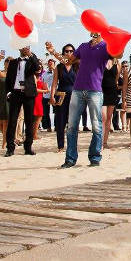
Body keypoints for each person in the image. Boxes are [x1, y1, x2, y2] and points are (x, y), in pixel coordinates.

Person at [47, 31, 115, 169]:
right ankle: (70, 159)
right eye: (93, 30)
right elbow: (68, 61)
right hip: (77, 90)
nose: (95, 33)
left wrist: (119, 43)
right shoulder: (83, 46)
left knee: (96, 126)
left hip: (95, 91)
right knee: (71, 126)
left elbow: (117, 55)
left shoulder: (105, 47)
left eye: (98, 30)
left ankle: (95, 157)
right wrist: (53, 51)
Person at [4, 46, 40, 156]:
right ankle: (10, 148)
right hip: (15, 92)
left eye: (27, 47)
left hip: (28, 93)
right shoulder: (13, 62)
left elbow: (37, 67)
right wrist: (9, 92)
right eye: (23, 47)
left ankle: (28, 147)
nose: (25, 49)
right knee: (12, 121)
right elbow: (8, 79)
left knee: (29, 121)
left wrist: (31, 55)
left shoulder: (32, 60)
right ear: (19, 48)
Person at [49, 44, 77, 152]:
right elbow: (54, 83)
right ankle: (60, 146)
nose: (68, 53)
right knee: (60, 122)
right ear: (63, 52)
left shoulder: (77, 65)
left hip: (74, 96)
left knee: (72, 122)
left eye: (71, 51)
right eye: (66, 51)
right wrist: (52, 96)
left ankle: (72, 145)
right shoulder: (59, 67)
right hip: (61, 96)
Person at [101, 56, 120, 148]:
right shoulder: (101, 60)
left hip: (112, 92)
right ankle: (100, 141)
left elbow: (116, 79)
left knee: (109, 117)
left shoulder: (117, 63)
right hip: (101, 91)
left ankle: (105, 142)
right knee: (103, 117)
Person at [31, 66, 50, 140]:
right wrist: (45, 91)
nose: (39, 69)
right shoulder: (34, 77)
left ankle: (34, 134)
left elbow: (43, 87)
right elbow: (35, 89)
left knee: (38, 117)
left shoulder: (40, 77)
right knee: (37, 117)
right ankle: (34, 135)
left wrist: (45, 88)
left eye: (40, 68)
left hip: (39, 98)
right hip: (36, 98)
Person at [41, 58, 55, 132]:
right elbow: (43, 83)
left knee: (56, 111)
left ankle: (56, 126)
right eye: (49, 63)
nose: (50, 65)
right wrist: (45, 89)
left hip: (55, 94)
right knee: (46, 112)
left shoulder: (57, 72)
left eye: (51, 63)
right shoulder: (44, 74)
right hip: (46, 94)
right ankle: (48, 127)